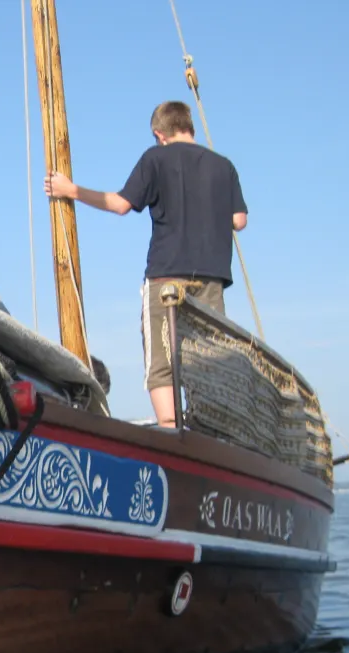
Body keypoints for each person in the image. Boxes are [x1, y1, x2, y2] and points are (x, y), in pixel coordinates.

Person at [44, 100, 247, 428]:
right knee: (210, 361)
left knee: (162, 362)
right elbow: (239, 221)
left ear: (159, 134)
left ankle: (170, 430)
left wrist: (71, 190)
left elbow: (121, 204)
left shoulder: (155, 158)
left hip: (167, 276)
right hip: (212, 279)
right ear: (189, 127)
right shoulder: (224, 166)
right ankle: (212, 435)